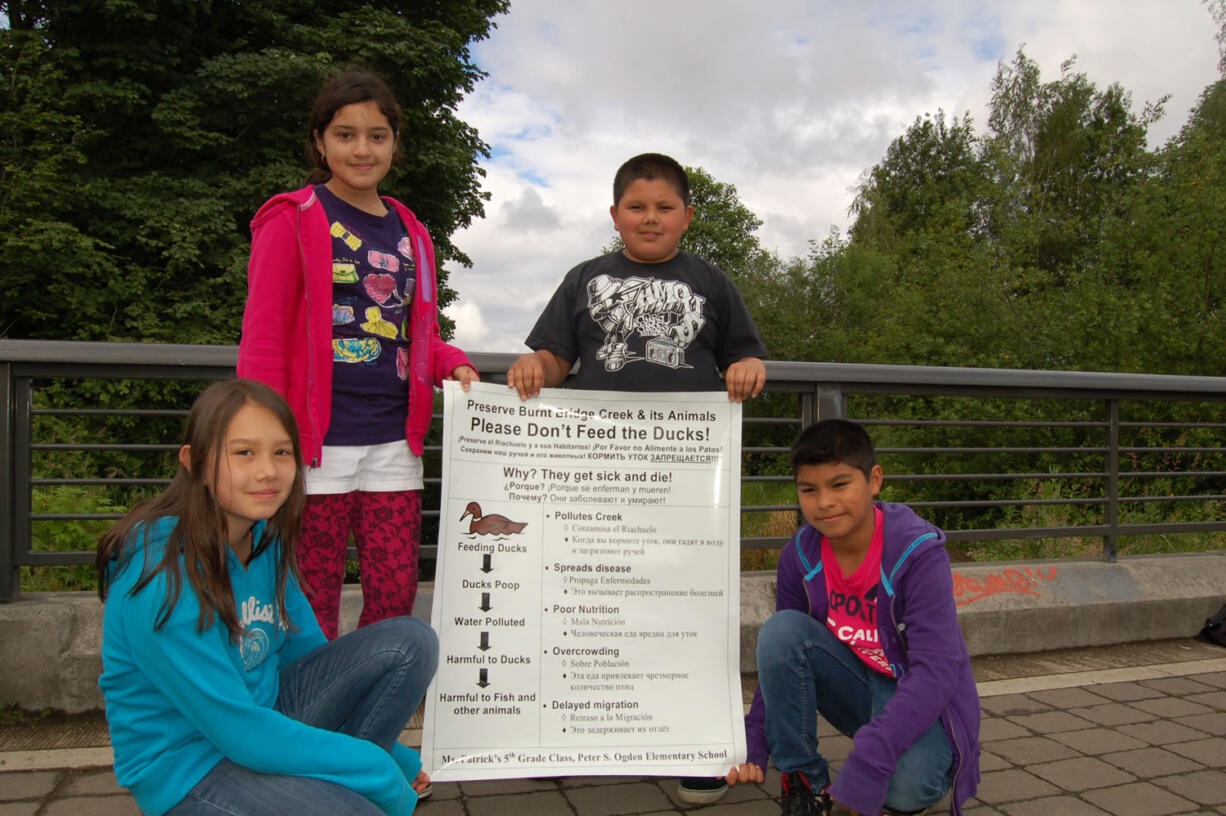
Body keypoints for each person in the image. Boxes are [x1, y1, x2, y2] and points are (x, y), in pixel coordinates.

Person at [507, 152, 768, 803]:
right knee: (585, 607)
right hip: (600, 479)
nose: (650, 218)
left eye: (664, 207)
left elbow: (746, 354)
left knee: (688, 613)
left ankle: (698, 745)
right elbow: (557, 357)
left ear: (686, 215)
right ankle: (566, 736)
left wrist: (748, 370)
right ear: (616, 214)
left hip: (686, 490)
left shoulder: (711, 281)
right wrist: (535, 365)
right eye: (637, 207)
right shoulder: (584, 278)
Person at [96, 379, 438, 816]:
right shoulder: (161, 576)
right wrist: (379, 774)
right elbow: (239, 732)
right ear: (194, 462)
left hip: (264, 719)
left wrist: (391, 757)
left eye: (282, 452)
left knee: (410, 641)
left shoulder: (264, 540)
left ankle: (336, 784)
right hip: (190, 765)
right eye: (244, 453)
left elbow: (309, 658)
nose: (268, 471)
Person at [237, 69, 478, 639]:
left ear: (395, 141)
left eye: (376, 135)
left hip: (395, 441)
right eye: (345, 135)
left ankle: (369, 713)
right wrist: (258, 437)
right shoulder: (291, 217)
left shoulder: (411, 229)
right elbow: (264, 336)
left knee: (395, 596)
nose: (362, 149)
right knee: (308, 598)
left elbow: (413, 332)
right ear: (320, 141)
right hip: (314, 444)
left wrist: (452, 361)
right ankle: (310, 716)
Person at [725, 419, 981, 816]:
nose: (824, 502)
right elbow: (779, 657)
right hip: (857, 685)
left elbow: (936, 670)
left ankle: (913, 761)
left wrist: (865, 767)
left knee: (905, 792)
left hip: (919, 696)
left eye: (839, 484)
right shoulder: (800, 555)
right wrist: (754, 740)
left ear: (874, 480)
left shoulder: (918, 554)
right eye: (809, 490)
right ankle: (804, 781)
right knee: (781, 631)